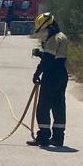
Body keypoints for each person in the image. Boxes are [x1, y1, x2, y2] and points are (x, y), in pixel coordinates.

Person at [27, 12, 70, 148]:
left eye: (43, 30)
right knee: (58, 106)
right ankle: (58, 138)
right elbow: (55, 57)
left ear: (49, 27)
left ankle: (43, 137)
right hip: (62, 75)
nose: (43, 33)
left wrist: (37, 74)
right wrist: (40, 53)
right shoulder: (62, 37)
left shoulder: (52, 39)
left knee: (43, 107)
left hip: (51, 76)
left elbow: (48, 61)